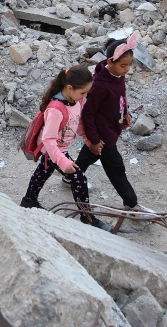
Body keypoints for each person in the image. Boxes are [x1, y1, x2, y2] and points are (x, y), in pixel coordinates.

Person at [19, 65, 112, 231]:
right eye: (83, 92)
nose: (85, 96)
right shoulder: (55, 109)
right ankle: (87, 217)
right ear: (70, 88)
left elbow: (79, 122)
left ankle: (28, 200)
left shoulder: (76, 100)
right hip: (53, 150)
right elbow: (48, 139)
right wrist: (62, 161)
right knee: (78, 179)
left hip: (58, 149)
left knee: (43, 171)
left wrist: (89, 140)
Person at [75, 34, 142, 212]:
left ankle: (71, 176)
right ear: (110, 62)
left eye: (129, 64)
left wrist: (125, 114)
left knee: (88, 155)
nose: (127, 69)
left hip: (111, 128)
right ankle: (131, 203)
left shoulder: (117, 76)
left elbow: (121, 97)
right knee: (116, 168)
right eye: (123, 65)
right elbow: (88, 115)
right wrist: (95, 139)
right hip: (103, 135)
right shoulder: (99, 86)